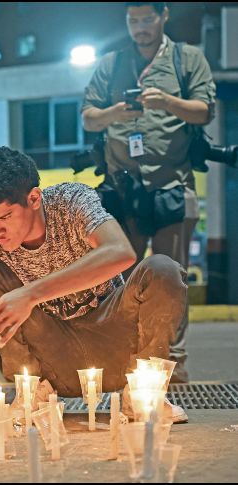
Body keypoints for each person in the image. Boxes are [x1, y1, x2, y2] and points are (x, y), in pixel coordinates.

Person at [0, 147, 189, 423]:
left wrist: (30, 294)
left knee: (162, 270)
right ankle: (32, 394)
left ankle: (143, 396)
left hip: (114, 344)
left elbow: (120, 252)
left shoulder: (70, 201)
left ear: (33, 198)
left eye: (4, 217)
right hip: (52, 357)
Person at [82, 2, 216, 383]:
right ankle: (122, 357)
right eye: (132, 20)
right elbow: (88, 116)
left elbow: (204, 110)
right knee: (115, 277)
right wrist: (113, 114)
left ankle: (171, 363)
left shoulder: (186, 59)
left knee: (172, 275)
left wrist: (167, 102)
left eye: (147, 20)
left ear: (164, 16)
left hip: (172, 184)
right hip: (121, 187)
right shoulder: (111, 62)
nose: (139, 28)